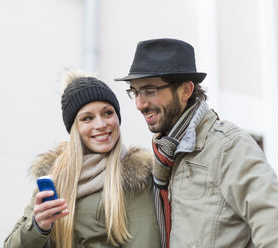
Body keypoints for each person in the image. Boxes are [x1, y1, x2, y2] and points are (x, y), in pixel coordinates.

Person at [114, 38, 278, 248]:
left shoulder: (228, 146)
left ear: (186, 90)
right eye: (134, 92)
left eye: (150, 91)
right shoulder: (164, 156)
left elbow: (272, 221)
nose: (139, 104)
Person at [4, 70, 160, 248]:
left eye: (108, 113)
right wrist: (39, 227)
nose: (101, 125)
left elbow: (145, 242)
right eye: (87, 118)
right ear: (74, 129)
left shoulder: (134, 177)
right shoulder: (55, 176)